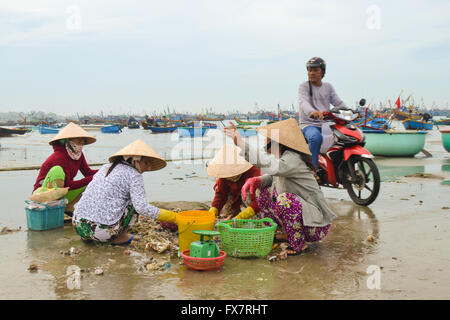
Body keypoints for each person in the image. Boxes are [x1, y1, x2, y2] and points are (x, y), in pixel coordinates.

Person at [224, 119, 337, 256]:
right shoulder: (285, 159)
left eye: (267, 143)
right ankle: (279, 233)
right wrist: (256, 180)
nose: (265, 147)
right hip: (304, 220)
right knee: (261, 191)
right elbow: (273, 177)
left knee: (285, 200)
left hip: (315, 226)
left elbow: (271, 166)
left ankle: (299, 245)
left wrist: (242, 143)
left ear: (278, 143)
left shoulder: (293, 158)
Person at [72, 139, 178, 245]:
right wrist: (172, 216)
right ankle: (120, 236)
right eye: (146, 163)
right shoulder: (134, 175)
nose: (147, 168)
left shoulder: (106, 167)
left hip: (78, 225)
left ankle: (88, 237)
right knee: (135, 201)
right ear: (136, 160)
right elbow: (141, 207)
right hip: (102, 233)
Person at [32, 122, 98, 214]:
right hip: (43, 194)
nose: (81, 143)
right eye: (78, 140)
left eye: (82, 141)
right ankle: (55, 208)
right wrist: (94, 177)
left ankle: (68, 207)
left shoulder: (78, 155)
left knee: (92, 183)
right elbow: (69, 184)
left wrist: (104, 170)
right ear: (68, 141)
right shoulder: (59, 157)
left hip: (63, 191)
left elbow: (87, 172)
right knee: (57, 170)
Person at [298, 57, 347, 175]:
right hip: (309, 124)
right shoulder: (304, 86)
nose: (312, 73)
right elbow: (303, 102)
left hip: (326, 124)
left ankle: (341, 170)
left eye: (315, 70)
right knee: (315, 138)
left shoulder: (328, 87)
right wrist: (312, 112)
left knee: (345, 137)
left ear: (322, 72)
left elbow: (338, 103)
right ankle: (312, 170)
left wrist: (349, 112)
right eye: (309, 70)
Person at [206, 144, 262, 219]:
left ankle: (254, 216)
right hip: (235, 196)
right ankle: (234, 212)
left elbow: (259, 199)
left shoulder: (254, 172)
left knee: (248, 194)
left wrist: (242, 216)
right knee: (226, 211)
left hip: (252, 197)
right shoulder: (224, 174)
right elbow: (221, 194)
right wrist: (213, 211)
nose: (228, 176)